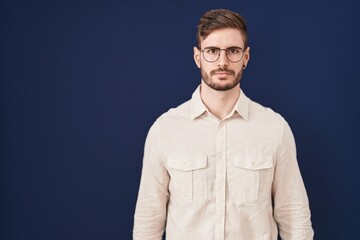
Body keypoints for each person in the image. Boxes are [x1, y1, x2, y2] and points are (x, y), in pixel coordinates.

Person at [133, 8, 314, 240]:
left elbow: (294, 216)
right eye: (212, 51)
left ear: (245, 57)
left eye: (233, 51)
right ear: (197, 57)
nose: (222, 61)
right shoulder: (164, 130)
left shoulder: (274, 129)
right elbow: (149, 220)